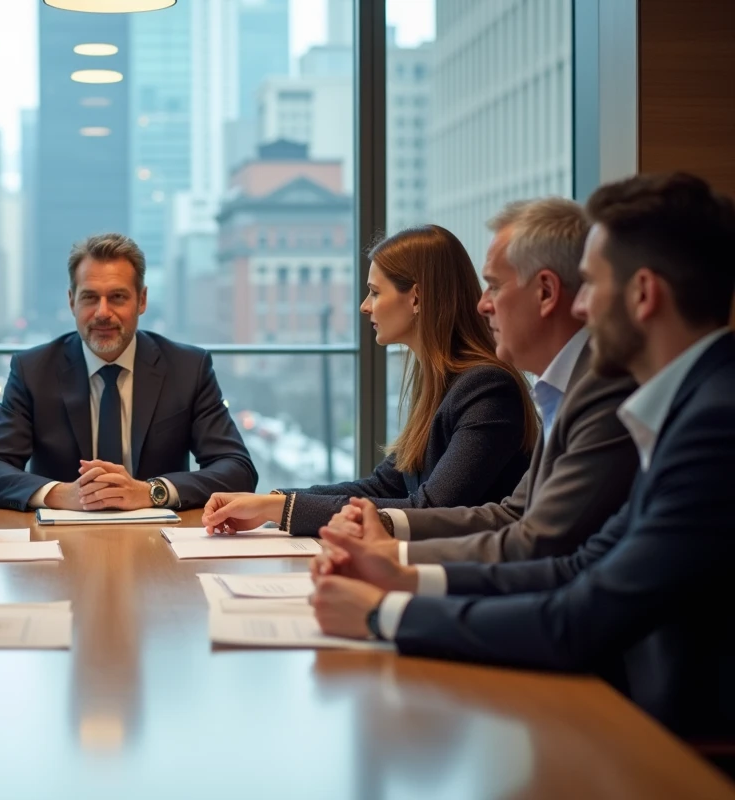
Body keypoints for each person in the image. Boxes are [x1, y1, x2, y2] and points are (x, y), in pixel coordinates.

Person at [310, 172, 735, 741]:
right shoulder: (685, 402)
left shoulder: (712, 422)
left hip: (675, 734)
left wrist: (382, 612)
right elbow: (578, 567)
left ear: (643, 295)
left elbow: (578, 613)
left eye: (590, 284)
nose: (580, 307)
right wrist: (400, 575)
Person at [335, 199, 638, 564]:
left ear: (545, 292)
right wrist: (281, 505)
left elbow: (540, 546)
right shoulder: (563, 390)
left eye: (493, 286)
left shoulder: (503, 387)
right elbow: (513, 516)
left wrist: (396, 562)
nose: (482, 304)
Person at [202, 225, 537, 536]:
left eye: (375, 292)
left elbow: (430, 509)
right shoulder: (444, 384)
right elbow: (382, 487)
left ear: (416, 298)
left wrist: (280, 508)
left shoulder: (488, 389)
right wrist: (271, 503)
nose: (365, 307)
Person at [0, 233, 258, 511]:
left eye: (117, 297)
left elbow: (237, 469)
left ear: (141, 301)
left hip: (160, 542)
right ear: (72, 301)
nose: (103, 312)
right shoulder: (33, 371)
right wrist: (62, 494)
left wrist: (150, 492)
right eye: (90, 298)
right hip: (61, 543)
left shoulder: (187, 368)